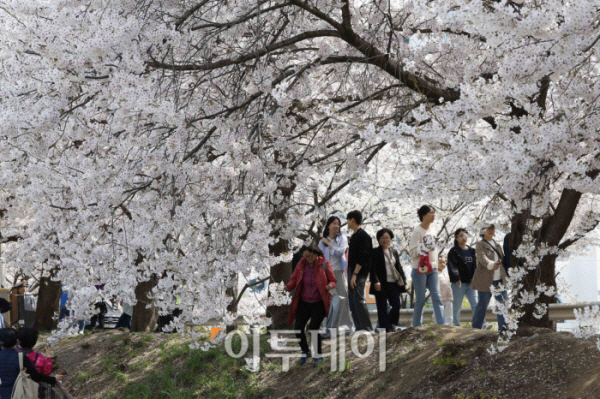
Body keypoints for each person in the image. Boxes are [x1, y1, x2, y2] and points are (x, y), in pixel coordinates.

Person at [285, 244, 336, 367]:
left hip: (319, 302)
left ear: (316, 253)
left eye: (310, 255)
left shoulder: (324, 264)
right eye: (305, 256)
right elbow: (294, 279)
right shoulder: (301, 265)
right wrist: (289, 286)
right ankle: (305, 351)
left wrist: (330, 285)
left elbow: (333, 280)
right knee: (298, 327)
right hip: (303, 302)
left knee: (313, 328)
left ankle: (318, 356)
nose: (308, 258)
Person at [408, 205, 445, 326]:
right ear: (423, 215)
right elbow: (412, 252)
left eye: (434, 213)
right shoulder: (417, 231)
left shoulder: (432, 230)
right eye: (431, 213)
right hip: (420, 268)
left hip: (433, 267)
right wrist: (424, 247)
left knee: (437, 296)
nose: (433, 215)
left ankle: (441, 324)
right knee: (420, 299)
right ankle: (417, 325)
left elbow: (433, 250)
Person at [0, 328, 62, 399]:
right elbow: (35, 376)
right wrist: (53, 379)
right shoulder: (20, 357)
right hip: (17, 394)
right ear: (16, 341)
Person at [318, 216, 352, 336]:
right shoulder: (321, 242)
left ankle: (345, 327)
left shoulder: (342, 238)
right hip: (326, 274)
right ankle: (328, 328)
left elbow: (339, 252)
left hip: (339, 272)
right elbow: (320, 258)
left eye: (338, 224)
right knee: (328, 301)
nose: (337, 226)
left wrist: (329, 244)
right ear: (328, 226)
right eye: (334, 223)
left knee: (343, 299)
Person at [471, 223, 508, 331]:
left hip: (499, 279)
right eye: (487, 228)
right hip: (485, 280)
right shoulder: (480, 244)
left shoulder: (497, 245)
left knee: (502, 304)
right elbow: (482, 258)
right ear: (482, 231)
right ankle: (476, 328)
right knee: (482, 305)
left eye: (492, 228)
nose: (491, 230)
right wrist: (492, 265)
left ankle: (503, 329)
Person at [370, 228, 407, 332]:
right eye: (382, 238)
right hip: (381, 283)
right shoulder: (375, 252)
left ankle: (391, 324)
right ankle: (386, 329)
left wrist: (404, 281)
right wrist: (376, 281)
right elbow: (372, 269)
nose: (385, 240)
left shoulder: (394, 252)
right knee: (382, 307)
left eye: (387, 238)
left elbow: (399, 268)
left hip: (393, 283)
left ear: (390, 239)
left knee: (396, 305)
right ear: (378, 239)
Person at [346, 210, 373, 332]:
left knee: (358, 298)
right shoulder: (354, 236)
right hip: (352, 271)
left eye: (347, 220)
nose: (346, 223)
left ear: (352, 220)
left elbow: (363, 256)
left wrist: (355, 274)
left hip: (359, 272)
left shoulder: (363, 236)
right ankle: (359, 326)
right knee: (352, 300)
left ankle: (367, 327)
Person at [447, 228, 478, 326]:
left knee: (475, 304)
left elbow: (476, 266)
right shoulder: (454, 251)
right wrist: (456, 277)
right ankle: (456, 325)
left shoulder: (472, 251)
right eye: (461, 235)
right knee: (456, 306)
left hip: (471, 282)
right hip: (459, 283)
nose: (463, 237)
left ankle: (480, 323)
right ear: (456, 238)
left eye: (465, 235)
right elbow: (452, 265)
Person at [438, 257, 453, 325]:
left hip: (448, 296)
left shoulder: (446, 274)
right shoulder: (435, 274)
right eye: (440, 262)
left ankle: (449, 326)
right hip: (440, 297)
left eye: (444, 262)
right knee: (438, 313)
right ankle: (437, 325)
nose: (442, 264)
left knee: (449, 314)